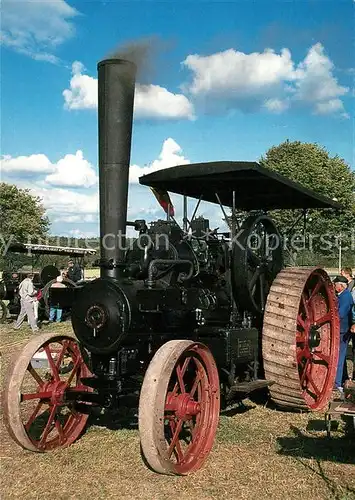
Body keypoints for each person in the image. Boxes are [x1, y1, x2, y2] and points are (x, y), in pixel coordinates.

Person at [333, 275, 354, 396]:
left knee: (339, 356)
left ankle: (336, 383)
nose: (335, 287)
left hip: (343, 330)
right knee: (341, 355)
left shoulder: (346, 297)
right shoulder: (342, 295)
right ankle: (343, 377)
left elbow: (340, 314)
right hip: (341, 329)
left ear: (341, 286)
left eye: (336, 285)